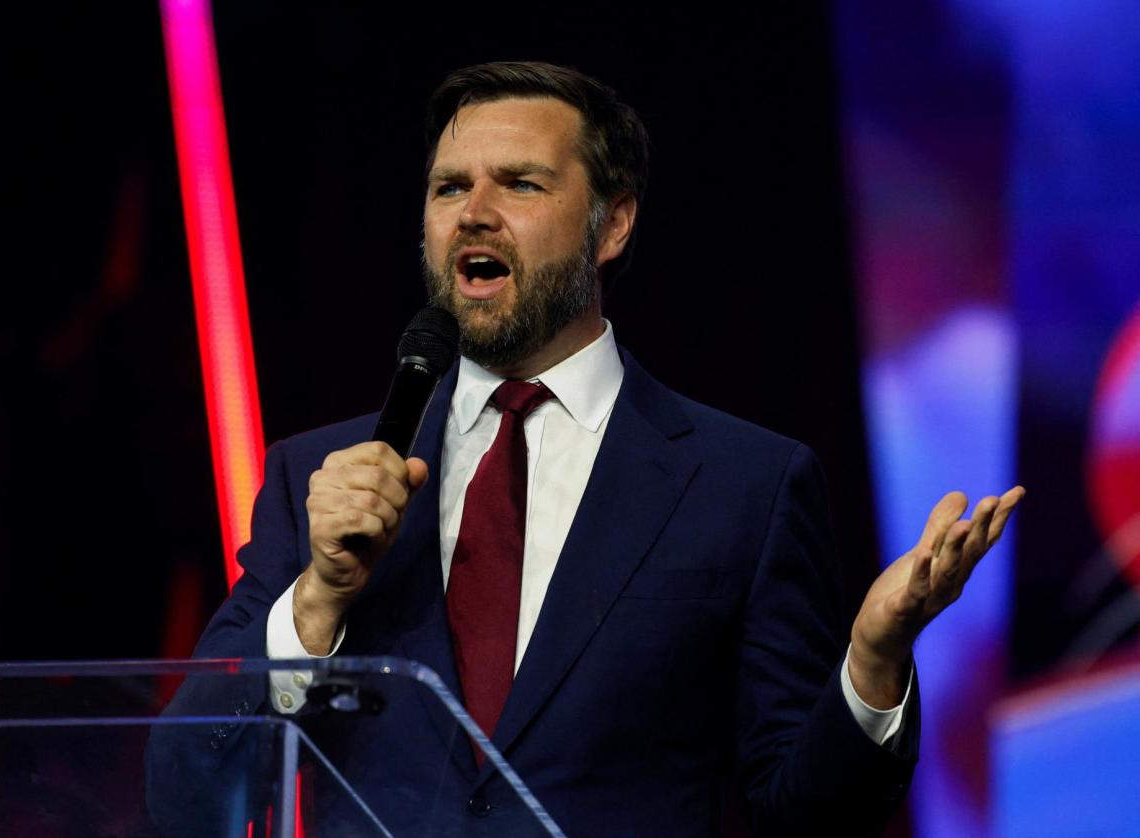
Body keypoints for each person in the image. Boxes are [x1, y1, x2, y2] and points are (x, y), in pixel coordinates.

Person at [148, 61, 1024, 836]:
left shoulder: (743, 486)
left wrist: (870, 661)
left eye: (519, 185)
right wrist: (315, 604)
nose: (473, 215)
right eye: (449, 188)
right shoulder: (319, 480)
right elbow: (184, 790)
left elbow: (805, 813)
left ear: (612, 227)